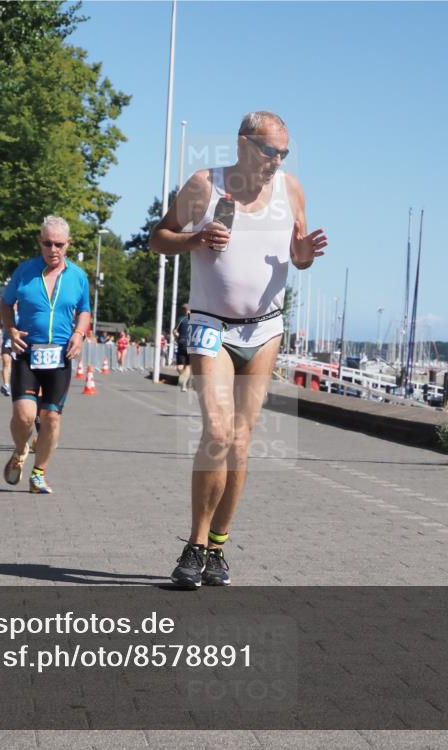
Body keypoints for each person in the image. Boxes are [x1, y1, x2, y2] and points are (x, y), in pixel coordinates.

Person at [149, 111, 327, 588]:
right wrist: (193, 238)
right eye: (271, 151)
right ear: (244, 145)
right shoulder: (204, 185)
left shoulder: (291, 190)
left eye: (284, 153)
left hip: (264, 330)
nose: (278, 161)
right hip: (210, 326)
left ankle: (219, 548)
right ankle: (195, 543)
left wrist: (305, 256)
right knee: (218, 431)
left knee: (242, 440)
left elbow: (298, 253)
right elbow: (157, 239)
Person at [0, 216, 91, 494]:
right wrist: (11, 330)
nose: (53, 250)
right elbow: (5, 304)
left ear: (68, 245)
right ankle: (19, 451)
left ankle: (38, 474)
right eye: (48, 243)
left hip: (60, 356)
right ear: (40, 242)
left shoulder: (78, 276)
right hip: (28, 352)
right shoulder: (25, 272)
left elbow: (85, 311)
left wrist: (79, 334)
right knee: (25, 415)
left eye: (59, 245)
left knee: (51, 418)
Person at [172, 303, 192, 391]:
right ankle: (184, 384)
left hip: (182, 343)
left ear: (183, 310)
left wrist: (177, 337)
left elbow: (174, 331)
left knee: (179, 367)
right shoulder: (195, 320)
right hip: (191, 344)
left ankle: (182, 377)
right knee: (188, 365)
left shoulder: (181, 319)